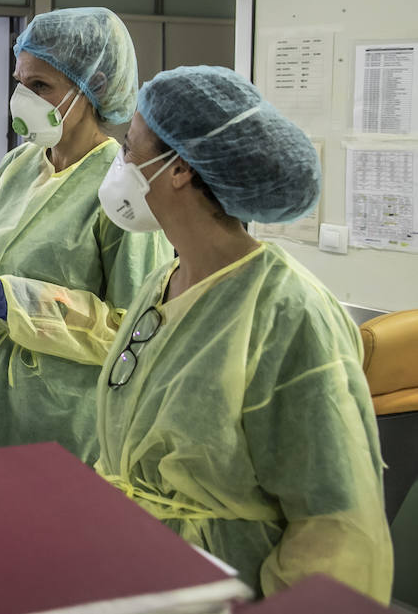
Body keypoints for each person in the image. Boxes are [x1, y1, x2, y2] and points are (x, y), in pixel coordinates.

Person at [92, 65, 392, 601]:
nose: (122, 163)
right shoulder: (167, 280)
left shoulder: (287, 313)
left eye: (131, 148)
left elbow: (335, 523)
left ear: (179, 168)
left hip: (226, 589)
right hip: (135, 571)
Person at [0, 7, 172, 462]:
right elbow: (4, 265)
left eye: (40, 86)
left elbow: (134, 330)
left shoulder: (122, 192)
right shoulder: (18, 166)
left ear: (91, 90)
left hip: (66, 417)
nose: (21, 98)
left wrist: (24, 302)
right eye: (20, 82)